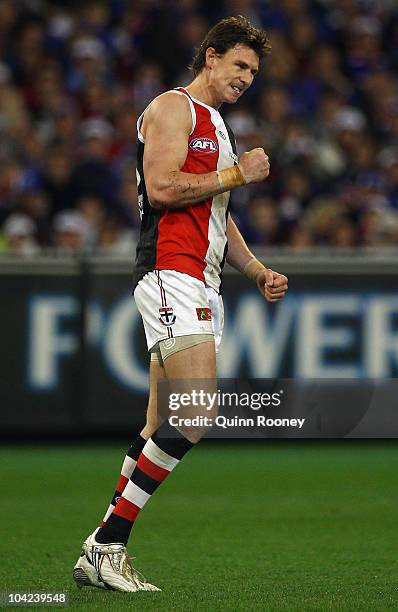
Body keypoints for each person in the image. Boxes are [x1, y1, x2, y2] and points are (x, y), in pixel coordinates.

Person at [73, 15, 288, 593]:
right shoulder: (174, 108)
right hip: (173, 272)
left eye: (254, 71)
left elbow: (216, 212)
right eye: (240, 64)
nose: (246, 78)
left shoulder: (217, 125)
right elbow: (165, 188)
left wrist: (255, 268)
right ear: (210, 56)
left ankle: (101, 548)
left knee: (157, 426)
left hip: (201, 279)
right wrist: (237, 173)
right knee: (194, 415)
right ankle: (108, 544)